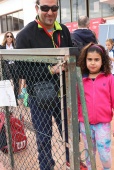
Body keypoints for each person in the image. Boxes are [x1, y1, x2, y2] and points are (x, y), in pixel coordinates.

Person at [15, 0, 82, 170]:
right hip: (40, 97)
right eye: (45, 8)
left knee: (69, 133)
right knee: (44, 138)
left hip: (64, 94)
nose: (50, 12)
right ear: (37, 8)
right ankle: (46, 166)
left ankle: (71, 161)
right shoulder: (25, 34)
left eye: (54, 8)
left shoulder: (63, 30)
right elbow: (21, 70)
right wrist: (51, 70)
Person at [77, 43, 114, 170]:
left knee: (104, 153)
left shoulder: (109, 79)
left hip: (103, 124)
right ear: (85, 60)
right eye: (90, 59)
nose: (93, 63)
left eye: (96, 59)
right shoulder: (81, 79)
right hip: (85, 124)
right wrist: (79, 120)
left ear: (103, 61)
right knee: (88, 153)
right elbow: (78, 102)